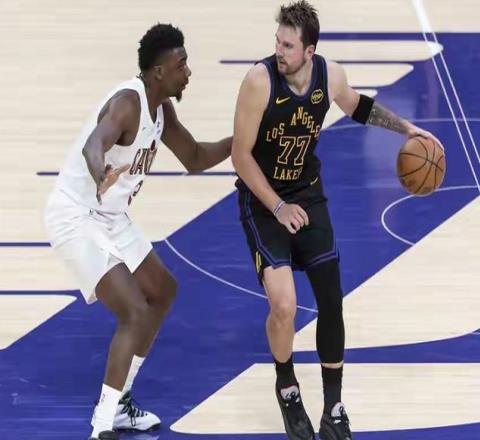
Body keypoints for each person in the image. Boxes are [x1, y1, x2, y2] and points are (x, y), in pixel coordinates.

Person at [231, 2, 442, 439]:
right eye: (278, 42)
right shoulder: (258, 81)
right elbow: (240, 157)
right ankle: (287, 387)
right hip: (263, 200)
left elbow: (357, 106)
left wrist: (407, 130)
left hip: (307, 194)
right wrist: (278, 207)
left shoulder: (329, 76)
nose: (279, 50)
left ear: (309, 51)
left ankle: (334, 408)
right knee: (284, 305)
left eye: (288, 45)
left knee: (331, 300)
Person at [44, 23, 232, 440]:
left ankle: (122, 403)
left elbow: (195, 158)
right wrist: (102, 173)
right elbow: (94, 144)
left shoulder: (162, 110)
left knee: (162, 291)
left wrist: (240, 143)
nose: (188, 72)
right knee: (134, 310)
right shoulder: (128, 103)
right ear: (158, 72)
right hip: (76, 214)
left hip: (109, 215)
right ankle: (102, 425)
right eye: (181, 64)